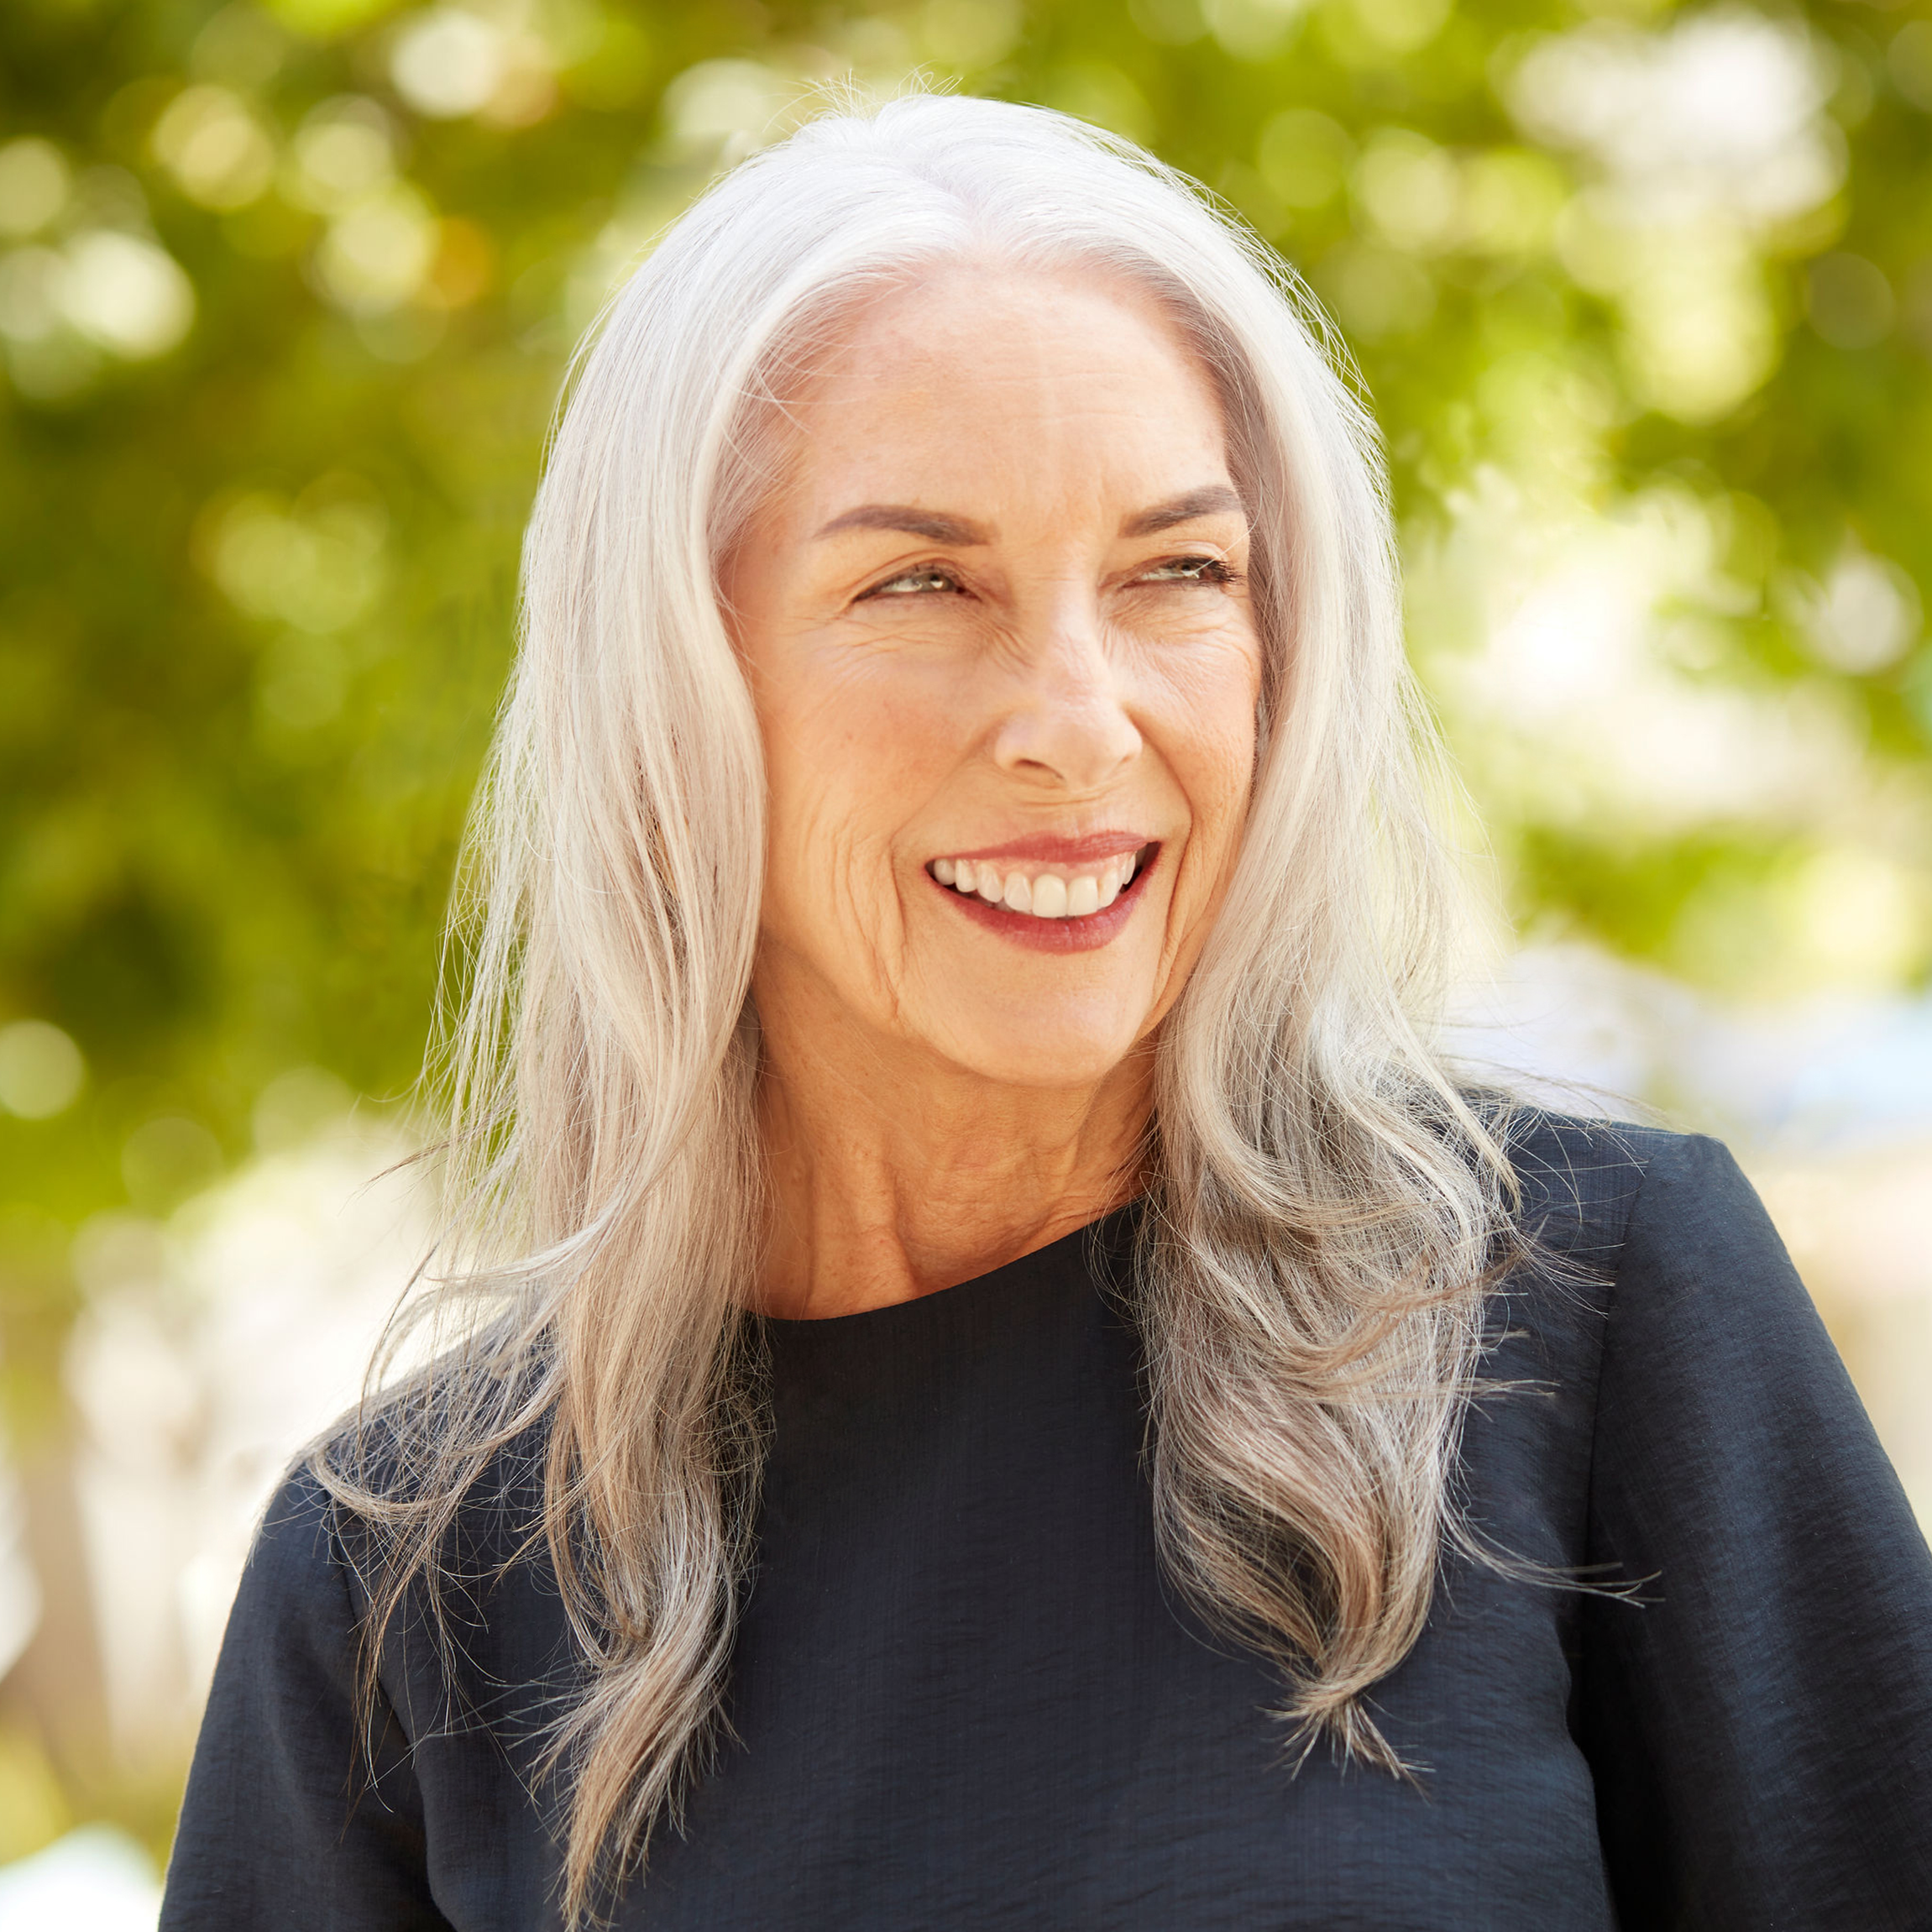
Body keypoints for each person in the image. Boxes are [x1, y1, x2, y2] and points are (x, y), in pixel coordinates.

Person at [159, 95, 1932, 1931]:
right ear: (675, 690)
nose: (1078, 720)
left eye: (1178, 572)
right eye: (918, 582)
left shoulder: (1581, 1308)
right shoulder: (405, 1583)